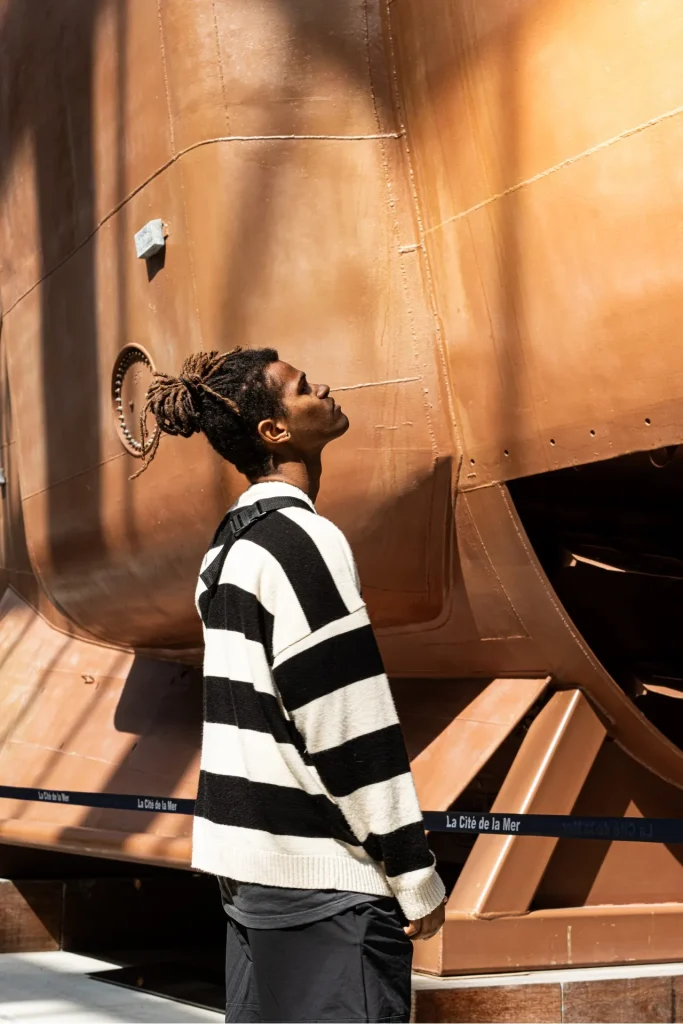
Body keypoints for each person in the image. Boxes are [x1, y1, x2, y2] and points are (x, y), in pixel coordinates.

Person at [138, 348, 445, 1023]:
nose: (324, 387)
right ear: (274, 431)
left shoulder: (228, 549)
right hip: (321, 881)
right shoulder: (303, 540)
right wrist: (412, 872)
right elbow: (345, 718)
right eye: (303, 388)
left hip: (250, 873)